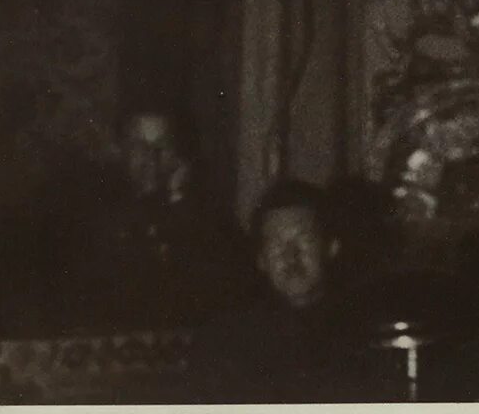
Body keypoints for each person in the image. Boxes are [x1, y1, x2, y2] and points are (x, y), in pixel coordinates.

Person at [185, 178, 402, 403]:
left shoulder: (369, 335)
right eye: (276, 244)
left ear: (331, 247)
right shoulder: (226, 342)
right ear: (261, 260)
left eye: (303, 239)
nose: (290, 256)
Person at [59, 108, 248, 331]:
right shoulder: (96, 213)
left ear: (177, 154)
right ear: (121, 150)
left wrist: (179, 200)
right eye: (139, 146)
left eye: (162, 145)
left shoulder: (203, 212)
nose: (151, 156)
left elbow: (222, 287)